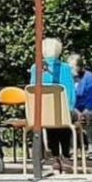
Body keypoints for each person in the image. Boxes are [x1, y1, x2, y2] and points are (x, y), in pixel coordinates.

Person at [29, 37, 77, 173]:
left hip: (43, 114)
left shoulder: (36, 68)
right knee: (65, 120)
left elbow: (32, 89)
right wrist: (70, 108)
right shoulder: (66, 68)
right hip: (64, 113)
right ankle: (66, 156)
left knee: (50, 121)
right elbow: (71, 93)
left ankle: (55, 157)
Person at [69, 54, 92, 160]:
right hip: (74, 108)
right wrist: (77, 111)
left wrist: (85, 110)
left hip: (89, 108)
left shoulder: (89, 76)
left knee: (88, 115)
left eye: (73, 67)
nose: (71, 70)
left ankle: (91, 149)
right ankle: (73, 149)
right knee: (70, 116)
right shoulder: (68, 78)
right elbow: (68, 97)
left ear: (79, 66)